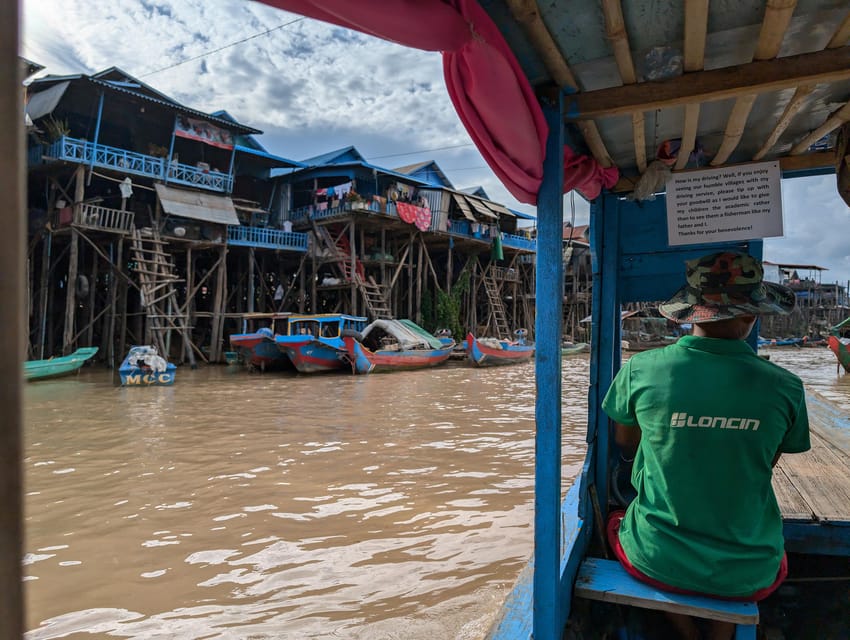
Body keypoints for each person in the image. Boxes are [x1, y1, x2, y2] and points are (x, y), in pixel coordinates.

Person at [602, 251, 810, 640]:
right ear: (752, 316)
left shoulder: (640, 370)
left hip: (656, 558)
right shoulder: (786, 387)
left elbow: (624, 441)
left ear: (690, 312)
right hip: (751, 568)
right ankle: (718, 634)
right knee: (736, 568)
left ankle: (686, 632)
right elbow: (767, 460)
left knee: (617, 522)